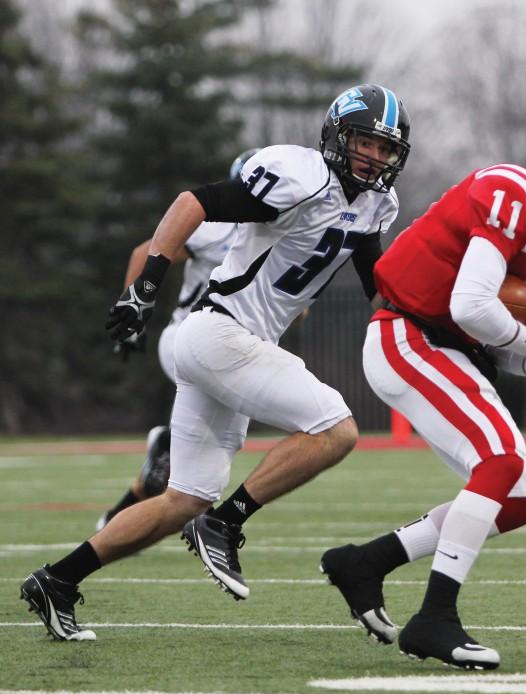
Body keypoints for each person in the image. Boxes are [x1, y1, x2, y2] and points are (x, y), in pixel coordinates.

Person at [19, 83, 411, 641]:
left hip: (232, 344)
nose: (373, 156)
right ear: (336, 135)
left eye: (385, 149)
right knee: (337, 429)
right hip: (219, 333)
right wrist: (145, 288)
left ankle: (57, 580)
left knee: (182, 498)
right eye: (364, 142)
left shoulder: (376, 205)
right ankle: (226, 522)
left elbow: (380, 286)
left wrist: (436, 321)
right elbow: (193, 202)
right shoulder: (300, 177)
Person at [319, 109, 526, 670]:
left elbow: (484, 334)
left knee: (519, 496)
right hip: (409, 335)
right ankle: (435, 618)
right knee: (499, 462)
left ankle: (365, 563)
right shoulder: (519, 193)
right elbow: (471, 308)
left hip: (444, 346)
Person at [96, 148, 260, 531]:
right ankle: (208, 506)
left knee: (196, 454)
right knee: (212, 435)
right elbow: (147, 250)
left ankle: (119, 515)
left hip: (232, 347)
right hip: (185, 336)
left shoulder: (286, 234)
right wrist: (132, 311)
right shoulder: (217, 225)